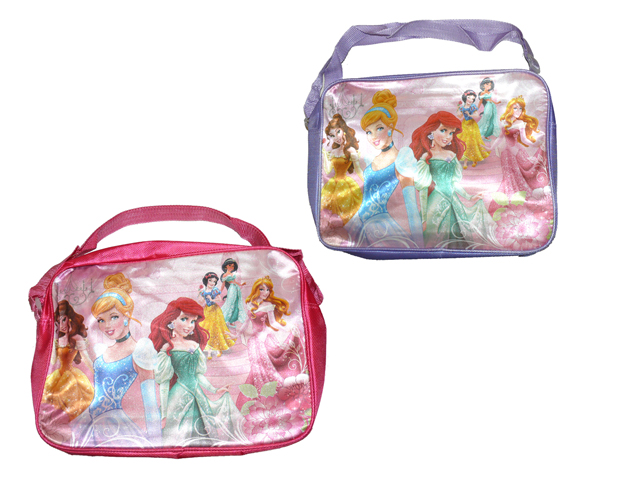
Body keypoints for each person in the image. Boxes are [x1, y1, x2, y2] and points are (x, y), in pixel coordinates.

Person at [71, 273, 161, 447]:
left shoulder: (140, 351)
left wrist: (156, 442)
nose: (107, 326)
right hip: (90, 422)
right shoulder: (103, 351)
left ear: (126, 316)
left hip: (116, 426)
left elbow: (150, 404)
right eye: (101, 320)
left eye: (114, 317)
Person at [149, 297, 248, 446]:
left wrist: (214, 390)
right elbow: (164, 384)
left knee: (203, 427)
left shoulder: (194, 345)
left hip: (197, 393)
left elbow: (198, 375)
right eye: (184, 319)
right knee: (176, 433)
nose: (189, 325)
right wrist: (164, 414)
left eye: (193, 321)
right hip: (178, 396)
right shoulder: (167, 348)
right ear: (172, 321)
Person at [410, 111, 501, 249]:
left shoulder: (450, 155)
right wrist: (423, 218)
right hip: (436, 201)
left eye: (451, 133)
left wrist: (469, 197)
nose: (448, 136)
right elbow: (423, 188)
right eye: (443, 130)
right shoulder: (426, 157)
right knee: (433, 235)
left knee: (459, 233)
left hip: (453, 200)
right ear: (431, 131)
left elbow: (453, 182)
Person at [344, 89, 422, 248]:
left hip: (382, 229)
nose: (373, 136)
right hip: (359, 225)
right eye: (368, 131)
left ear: (390, 127)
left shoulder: (402, 159)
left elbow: (412, 207)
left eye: (379, 128)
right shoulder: (372, 160)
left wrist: (420, 244)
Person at [236, 277, 303, 410]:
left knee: (265, 366)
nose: (265, 292)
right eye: (262, 289)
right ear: (256, 290)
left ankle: (274, 393)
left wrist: (288, 328)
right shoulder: (251, 305)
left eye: (267, 290)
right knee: (256, 368)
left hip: (264, 338)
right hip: (253, 341)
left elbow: (273, 323)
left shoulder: (268, 306)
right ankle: (259, 397)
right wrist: (236, 335)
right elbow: (246, 324)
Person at [487, 95, 549, 215]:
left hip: (516, 151)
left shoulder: (521, 123)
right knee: (508, 176)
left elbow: (524, 140)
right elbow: (500, 138)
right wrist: (490, 148)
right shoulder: (504, 122)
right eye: (515, 108)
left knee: (519, 174)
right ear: (510, 109)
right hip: (506, 153)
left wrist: (535, 142)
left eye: (520, 109)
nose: (518, 111)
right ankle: (509, 199)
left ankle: (519, 198)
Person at [41, 300, 94, 421]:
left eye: (63, 320)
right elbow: (53, 361)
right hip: (57, 376)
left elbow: (86, 358)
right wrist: (53, 341)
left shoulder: (76, 338)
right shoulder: (58, 340)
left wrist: (97, 372)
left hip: (72, 377)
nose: (61, 325)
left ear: (70, 319)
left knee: (74, 401)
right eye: (58, 322)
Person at [320, 113, 364, 226]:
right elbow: (328, 170)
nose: (336, 137)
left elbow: (358, 169)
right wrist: (324, 154)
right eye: (332, 135)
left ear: (343, 130)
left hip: (346, 186)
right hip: (332, 185)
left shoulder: (350, 150)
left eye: (338, 132)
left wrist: (366, 182)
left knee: (346, 211)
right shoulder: (333, 151)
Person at [198, 272, 235, 359]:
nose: (212, 283)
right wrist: (200, 294)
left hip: (215, 310)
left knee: (216, 328)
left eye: (214, 281)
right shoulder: (204, 291)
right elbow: (201, 301)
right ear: (206, 281)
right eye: (210, 281)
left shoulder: (215, 290)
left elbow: (219, 299)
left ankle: (218, 348)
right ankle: (209, 350)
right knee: (207, 328)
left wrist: (212, 299)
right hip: (207, 310)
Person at [457, 90, 490, 168]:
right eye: (469, 98)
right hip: (465, 124)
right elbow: (460, 116)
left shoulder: (473, 106)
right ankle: (465, 162)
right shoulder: (462, 107)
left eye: (472, 99)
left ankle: (475, 159)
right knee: (465, 141)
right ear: (465, 98)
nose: (470, 100)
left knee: (473, 141)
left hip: (472, 124)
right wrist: (459, 110)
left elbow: (476, 115)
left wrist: (469, 114)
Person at [220, 258, 247, 326]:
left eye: (233, 266)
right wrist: (220, 291)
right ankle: (224, 319)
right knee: (230, 303)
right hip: (231, 288)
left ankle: (231, 320)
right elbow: (223, 284)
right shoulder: (225, 275)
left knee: (236, 303)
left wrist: (241, 284)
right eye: (230, 265)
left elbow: (235, 282)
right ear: (226, 266)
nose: (231, 267)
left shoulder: (232, 274)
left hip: (236, 288)